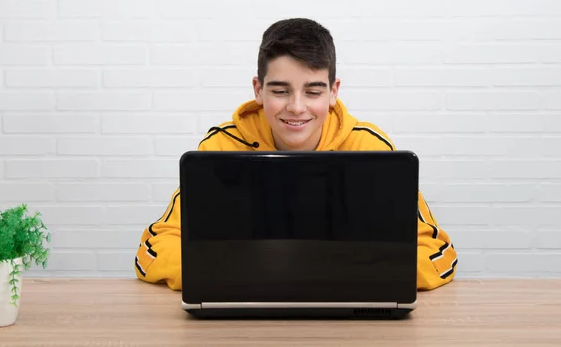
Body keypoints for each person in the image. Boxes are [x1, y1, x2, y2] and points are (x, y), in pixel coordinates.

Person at [134, 18, 457, 291]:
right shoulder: (220, 148)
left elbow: (438, 253)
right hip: (246, 310)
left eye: (313, 91)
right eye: (280, 91)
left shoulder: (371, 148)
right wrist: (246, 272)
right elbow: (152, 250)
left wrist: (332, 273)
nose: (297, 107)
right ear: (258, 90)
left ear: (334, 92)